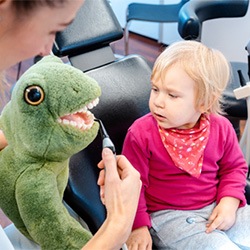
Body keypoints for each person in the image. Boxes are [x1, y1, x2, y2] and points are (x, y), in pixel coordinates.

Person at [0, 1, 141, 249]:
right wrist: (120, 224)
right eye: (52, 29)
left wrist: (26, 130)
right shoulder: (33, 184)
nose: (46, 48)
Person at [122, 40, 250, 250]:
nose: (158, 101)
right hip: (170, 217)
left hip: (217, 204)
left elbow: (234, 168)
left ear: (204, 102)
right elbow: (131, 187)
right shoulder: (140, 134)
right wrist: (137, 227)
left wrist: (229, 200)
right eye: (155, 89)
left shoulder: (222, 128)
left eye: (172, 95)